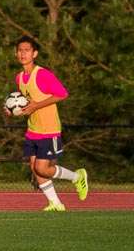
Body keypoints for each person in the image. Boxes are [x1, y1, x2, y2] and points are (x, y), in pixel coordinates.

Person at [6, 36, 88, 211]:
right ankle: (56, 204)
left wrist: (36, 105)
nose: (23, 53)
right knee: (35, 168)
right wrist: (13, 110)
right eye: (20, 50)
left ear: (34, 53)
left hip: (49, 129)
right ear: (16, 53)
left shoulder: (42, 74)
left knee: (43, 169)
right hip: (33, 129)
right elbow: (26, 102)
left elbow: (62, 94)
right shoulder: (19, 78)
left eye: (27, 50)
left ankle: (76, 177)